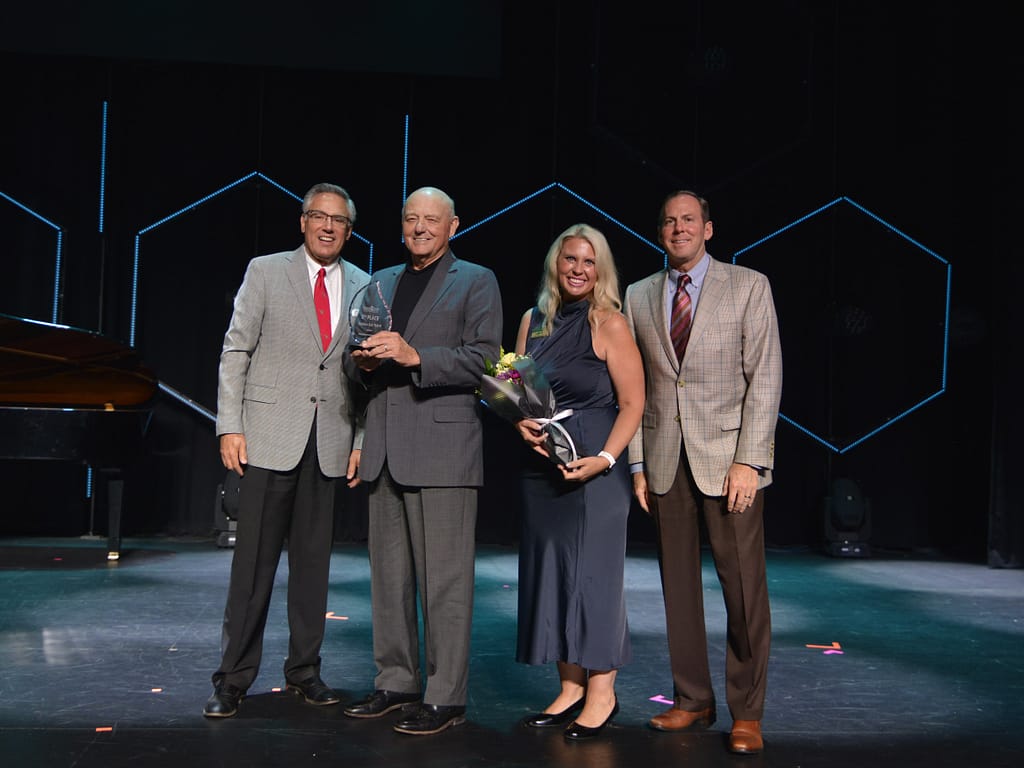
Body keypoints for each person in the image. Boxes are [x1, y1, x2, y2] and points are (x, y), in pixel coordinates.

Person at [203, 182, 371, 718]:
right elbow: (236, 349)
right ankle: (232, 679)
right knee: (251, 570)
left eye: (338, 220)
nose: (327, 227)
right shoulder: (265, 270)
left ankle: (304, 671)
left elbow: (369, 377)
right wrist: (230, 424)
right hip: (268, 437)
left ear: (349, 230)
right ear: (302, 222)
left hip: (328, 443)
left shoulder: (366, 287)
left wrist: (361, 441)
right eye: (318, 216)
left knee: (313, 570)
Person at [623, 190, 782, 755]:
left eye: (688, 220)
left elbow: (764, 378)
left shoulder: (748, 286)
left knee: (742, 592)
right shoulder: (638, 294)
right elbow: (636, 389)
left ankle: (747, 711)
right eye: (668, 221)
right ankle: (692, 699)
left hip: (730, 464)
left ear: (708, 229)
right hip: (666, 462)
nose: (677, 228)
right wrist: (638, 464)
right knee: (678, 591)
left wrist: (750, 459)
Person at [341, 186, 502, 735]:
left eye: (431, 220)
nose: (420, 228)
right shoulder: (379, 282)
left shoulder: (476, 280)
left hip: (443, 449)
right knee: (388, 579)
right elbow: (352, 356)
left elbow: (485, 360)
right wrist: (360, 363)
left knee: (445, 582)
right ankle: (395, 682)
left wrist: (415, 356)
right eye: (412, 219)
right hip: (384, 446)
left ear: (452, 225)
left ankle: (445, 695)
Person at [512, 224, 644, 741]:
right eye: (570, 259)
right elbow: (520, 386)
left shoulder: (609, 324)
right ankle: (569, 689)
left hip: (595, 471)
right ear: (555, 263)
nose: (577, 269)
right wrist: (519, 419)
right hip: (542, 468)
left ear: (601, 270)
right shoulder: (531, 321)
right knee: (553, 576)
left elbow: (634, 403)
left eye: (589, 262)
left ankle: (603, 693)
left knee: (594, 580)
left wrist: (607, 459)